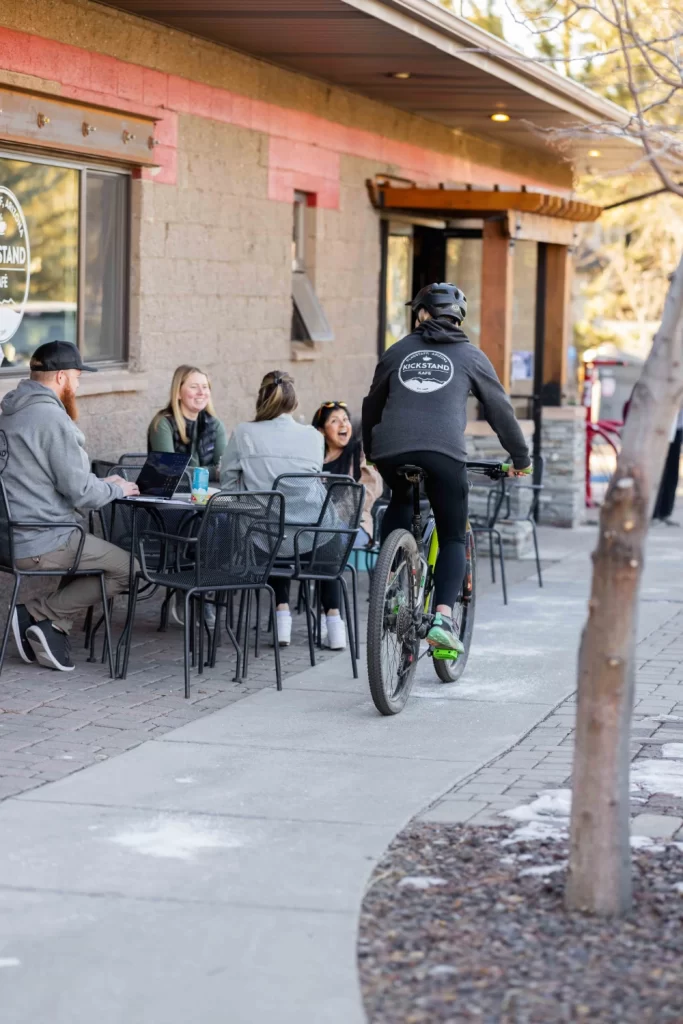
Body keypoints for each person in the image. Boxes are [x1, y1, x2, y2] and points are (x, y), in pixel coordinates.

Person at [362, 282, 530, 654]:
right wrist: (521, 458)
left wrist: (371, 451)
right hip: (443, 452)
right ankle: (441, 617)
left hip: (392, 450)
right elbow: (499, 409)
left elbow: (371, 403)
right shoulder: (470, 355)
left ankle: (389, 587)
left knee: (401, 502)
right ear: (458, 318)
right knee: (453, 534)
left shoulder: (398, 351)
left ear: (421, 314)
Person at [0, 340, 139, 672]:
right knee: (129, 569)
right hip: (44, 538)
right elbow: (81, 492)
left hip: (7, 539)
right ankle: (43, 615)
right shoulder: (52, 419)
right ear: (61, 377)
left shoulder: (8, 412)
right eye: (77, 377)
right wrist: (116, 488)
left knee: (93, 558)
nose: (77, 385)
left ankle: (41, 619)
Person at [220, 370, 348, 650]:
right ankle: (335, 624)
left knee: (272, 529)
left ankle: (282, 619)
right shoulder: (313, 437)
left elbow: (228, 485)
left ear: (261, 399)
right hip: (315, 536)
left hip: (264, 539)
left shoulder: (243, 432)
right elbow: (308, 481)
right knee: (320, 529)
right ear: (294, 402)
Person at [312, 400, 383, 547]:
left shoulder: (364, 452)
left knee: (326, 539)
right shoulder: (313, 458)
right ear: (321, 430)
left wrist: (334, 516)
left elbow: (372, 486)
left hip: (353, 524)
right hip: (314, 525)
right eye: (334, 421)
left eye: (345, 419)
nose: (343, 424)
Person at [148, 365, 227, 482]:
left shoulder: (215, 425)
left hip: (210, 494)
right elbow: (168, 472)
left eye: (205, 387)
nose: (201, 392)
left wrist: (191, 471)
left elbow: (224, 470)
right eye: (194, 387)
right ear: (178, 393)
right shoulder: (163, 424)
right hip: (173, 495)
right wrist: (212, 472)